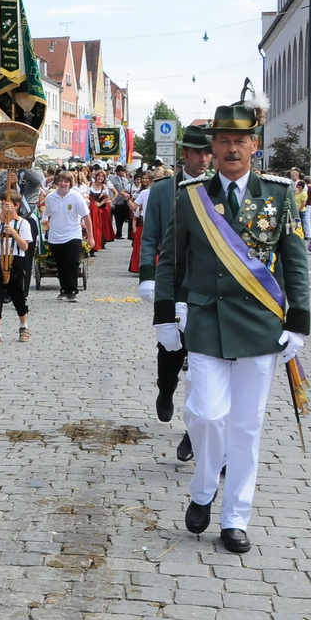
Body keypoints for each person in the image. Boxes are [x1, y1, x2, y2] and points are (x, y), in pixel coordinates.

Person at [153, 99, 310, 555]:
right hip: (205, 321)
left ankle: (235, 516)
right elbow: (172, 261)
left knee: (246, 427)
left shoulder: (279, 195)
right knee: (205, 414)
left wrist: (297, 322)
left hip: (260, 325)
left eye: (241, 141)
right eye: (224, 141)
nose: (232, 149)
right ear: (213, 147)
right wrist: (166, 313)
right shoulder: (191, 195)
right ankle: (203, 488)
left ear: (254, 146)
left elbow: (295, 264)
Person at [139, 126, 211, 461]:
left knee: (203, 365)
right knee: (170, 350)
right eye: (197, 152)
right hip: (171, 278)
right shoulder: (164, 190)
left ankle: (193, 434)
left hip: (204, 286)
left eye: (208, 152)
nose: (203, 158)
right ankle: (165, 389)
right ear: (184, 154)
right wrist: (148, 277)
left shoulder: (215, 189)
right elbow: (150, 236)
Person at [0, 191, 32, 346]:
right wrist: (2, 214)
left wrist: (14, 233)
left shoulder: (23, 223)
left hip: (15, 261)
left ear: (16, 205)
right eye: (3, 204)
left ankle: (23, 326)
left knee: (18, 295)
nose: (5, 206)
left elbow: (24, 246)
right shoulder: (0, 221)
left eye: (8, 204)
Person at [42, 170, 91, 302]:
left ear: (70, 183)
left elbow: (86, 216)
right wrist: (45, 221)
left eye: (66, 181)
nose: (63, 184)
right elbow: (46, 214)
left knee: (73, 262)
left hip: (73, 233)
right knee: (61, 264)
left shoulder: (76, 196)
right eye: (61, 181)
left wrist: (91, 236)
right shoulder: (51, 197)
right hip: (56, 235)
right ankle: (63, 289)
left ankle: (72, 290)